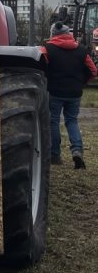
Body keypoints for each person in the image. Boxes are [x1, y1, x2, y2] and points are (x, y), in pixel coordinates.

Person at [42, 21, 97, 169]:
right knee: (72, 121)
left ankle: (54, 155)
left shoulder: (47, 49)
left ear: (53, 34)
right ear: (68, 34)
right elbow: (93, 71)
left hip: (54, 92)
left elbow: (42, 69)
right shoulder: (81, 50)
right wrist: (81, 82)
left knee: (53, 121)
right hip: (74, 93)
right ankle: (77, 150)